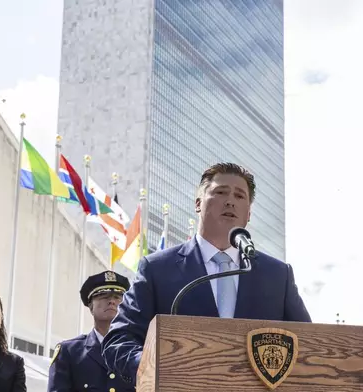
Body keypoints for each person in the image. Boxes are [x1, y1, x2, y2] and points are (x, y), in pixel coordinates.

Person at [102, 162, 312, 384]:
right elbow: (119, 341)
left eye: (240, 196)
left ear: (248, 213)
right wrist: (155, 368)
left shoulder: (277, 274)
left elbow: (310, 344)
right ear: (198, 204)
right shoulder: (156, 269)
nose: (230, 200)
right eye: (220, 192)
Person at [48, 270, 132, 392]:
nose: (112, 301)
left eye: (118, 297)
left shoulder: (138, 350)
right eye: (104, 297)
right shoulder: (69, 352)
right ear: (91, 307)